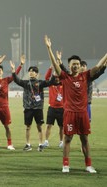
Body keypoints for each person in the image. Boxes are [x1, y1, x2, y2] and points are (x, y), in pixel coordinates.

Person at [44, 35, 107, 173]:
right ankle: (65, 165)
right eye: (73, 64)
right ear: (69, 66)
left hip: (82, 113)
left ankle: (88, 165)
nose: (75, 66)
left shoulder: (85, 76)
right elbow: (55, 65)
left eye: (77, 64)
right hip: (70, 114)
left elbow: (98, 66)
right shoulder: (65, 77)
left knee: (85, 139)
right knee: (67, 139)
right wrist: (49, 48)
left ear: (80, 66)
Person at [11, 60, 55, 152]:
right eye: (30, 71)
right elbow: (16, 80)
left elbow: (51, 82)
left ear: (37, 74)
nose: (31, 72)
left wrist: (54, 72)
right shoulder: (25, 83)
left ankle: (40, 144)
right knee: (28, 127)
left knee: (39, 127)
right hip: (28, 108)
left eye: (33, 71)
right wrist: (13, 70)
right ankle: (28, 144)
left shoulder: (40, 83)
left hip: (38, 108)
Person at [0, 54, 25, 151]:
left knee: (7, 126)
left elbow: (14, 76)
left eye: (0, 70)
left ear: (2, 72)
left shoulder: (6, 80)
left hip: (5, 107)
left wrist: (20, 65)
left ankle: (10, 144)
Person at [43, 63, 64, 148]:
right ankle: (46, 141)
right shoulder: (51, 84)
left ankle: (61, 142)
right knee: (48, 125)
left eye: (58, 74)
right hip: (51, 108)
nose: (57, 77)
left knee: (61, 126)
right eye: (55, 74)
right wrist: (51, 68)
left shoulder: (63, 84)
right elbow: (46, 78)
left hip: (62, 108)